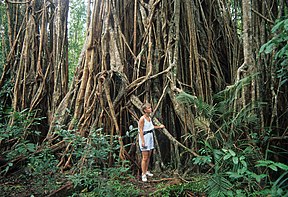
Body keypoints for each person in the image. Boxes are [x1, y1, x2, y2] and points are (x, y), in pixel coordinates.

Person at [138, 103, 165, 182]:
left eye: (150, 107)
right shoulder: (142, 119)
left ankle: (146, 171)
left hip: (150, 137)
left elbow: (151, 127)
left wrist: (159, 127)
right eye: (149, 108)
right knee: (145, 157)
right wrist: (143, 141)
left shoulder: (149, 117)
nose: (150, 109)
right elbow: (140, 131)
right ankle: (143, 174)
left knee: (149, 156)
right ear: (145, 110)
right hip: (145, 138)